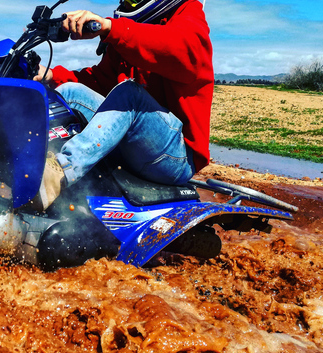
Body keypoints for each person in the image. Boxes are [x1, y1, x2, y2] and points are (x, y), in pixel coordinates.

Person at [32, 0, 214, 210]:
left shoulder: (186, 12)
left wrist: (111, 28)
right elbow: (100, 81)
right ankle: (26, 159)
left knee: (130, 93)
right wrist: (52, 75)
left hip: (176, 158)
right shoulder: (129, 27)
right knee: (68, 93)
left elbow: (182, 51)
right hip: (136, 148)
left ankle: (60, 174)